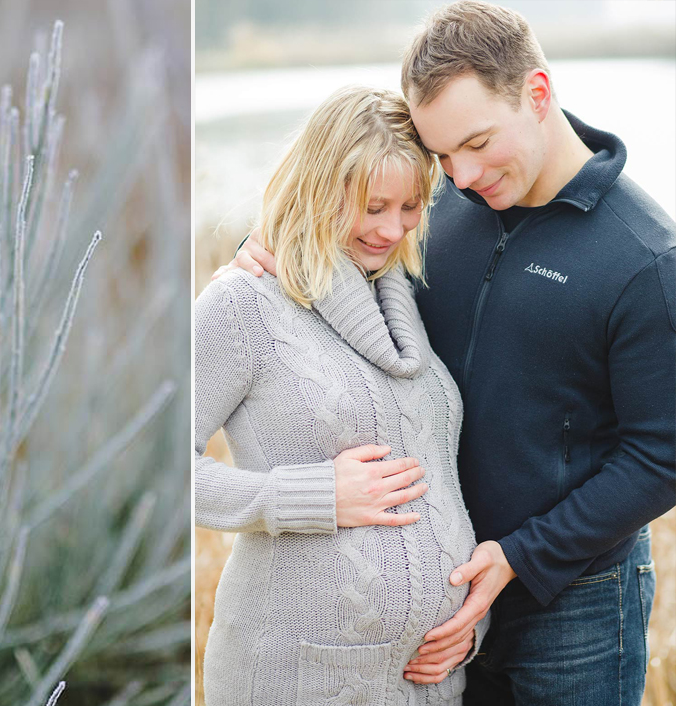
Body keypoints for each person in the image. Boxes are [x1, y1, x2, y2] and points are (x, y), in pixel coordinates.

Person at [216, 2, 676, 704]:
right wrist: (263, 249)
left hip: (574, 602)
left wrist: (519, 558)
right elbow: (340, 248)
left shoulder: (644, 258)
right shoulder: (436, 209)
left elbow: (660, 455)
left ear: (538, 94)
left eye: (477, 143)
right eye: (440, 156)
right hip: (442, 619)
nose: (459, 177)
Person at [195, 84, 489, 706]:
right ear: (320, 188)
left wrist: (468, 624)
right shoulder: (242, 304)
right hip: (298, 678)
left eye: (410, 206)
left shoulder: (404, 293)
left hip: (429, 682)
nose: (391, 229)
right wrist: (312, 495)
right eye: (372, 206)